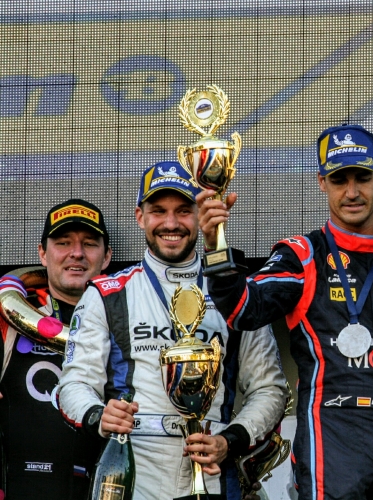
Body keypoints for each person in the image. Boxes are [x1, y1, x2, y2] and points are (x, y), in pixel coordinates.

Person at [202, 125, 373, 500]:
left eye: (362, 178)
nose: (352, 192)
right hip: (330, 439)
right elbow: (243, 310)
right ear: (322, 183)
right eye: (339, 180)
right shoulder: (302, 256)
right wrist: (215, 247)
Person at [58, 161, 290, 500]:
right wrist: (99, 415)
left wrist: (230, 440)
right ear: (140, 217)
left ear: (200, 215)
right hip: (134, 470)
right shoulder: (107, 294)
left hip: (213, 470)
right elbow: (73, 384)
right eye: (158, 211)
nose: (171, 223)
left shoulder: (236, 292)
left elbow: (270, 388)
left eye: (183, 210)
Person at [0, 199, 111, 499]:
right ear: (42, 254)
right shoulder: (8, 319)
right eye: (63, 243)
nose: (77, 253)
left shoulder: (130, 320)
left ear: (106, 257)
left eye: (90, 243)